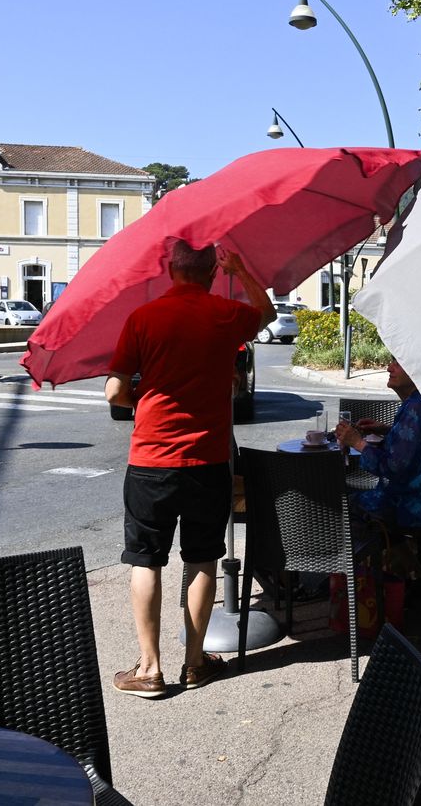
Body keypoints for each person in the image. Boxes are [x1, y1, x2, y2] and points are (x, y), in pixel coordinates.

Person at [105, 240, 273, 699]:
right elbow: (267, 313)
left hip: (151, 460)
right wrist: (242, 268)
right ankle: (196, 662)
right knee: (201, 558)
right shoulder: (224, 313)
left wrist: (142, 398)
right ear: (212, 274)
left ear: (170, 269)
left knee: (145, 559)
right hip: (209, 460)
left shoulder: (143, 318)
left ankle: (151, 669)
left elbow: (114, 391)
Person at [333, 358, 421, 541]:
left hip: (419, 506)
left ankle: (366, 565)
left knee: (342, 506)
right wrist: (387, 430)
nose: (388, 368)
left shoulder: (415, 409)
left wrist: (357, 443)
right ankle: (394, 557)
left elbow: (393, 468)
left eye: (397, 363)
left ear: (416, 371)